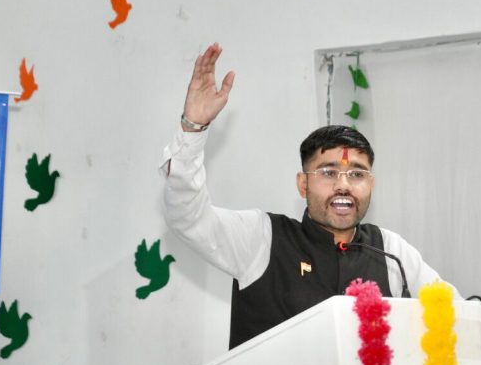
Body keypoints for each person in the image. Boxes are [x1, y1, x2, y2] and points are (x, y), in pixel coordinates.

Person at [160, 42, 451, 349]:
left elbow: (454, 314)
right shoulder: (262, 239)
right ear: (303, 185)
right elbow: (188, 217)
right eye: (328, 173)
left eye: (357, 174)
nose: (343, 185)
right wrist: (193, 129)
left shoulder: (391, 251)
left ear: (371, 184)